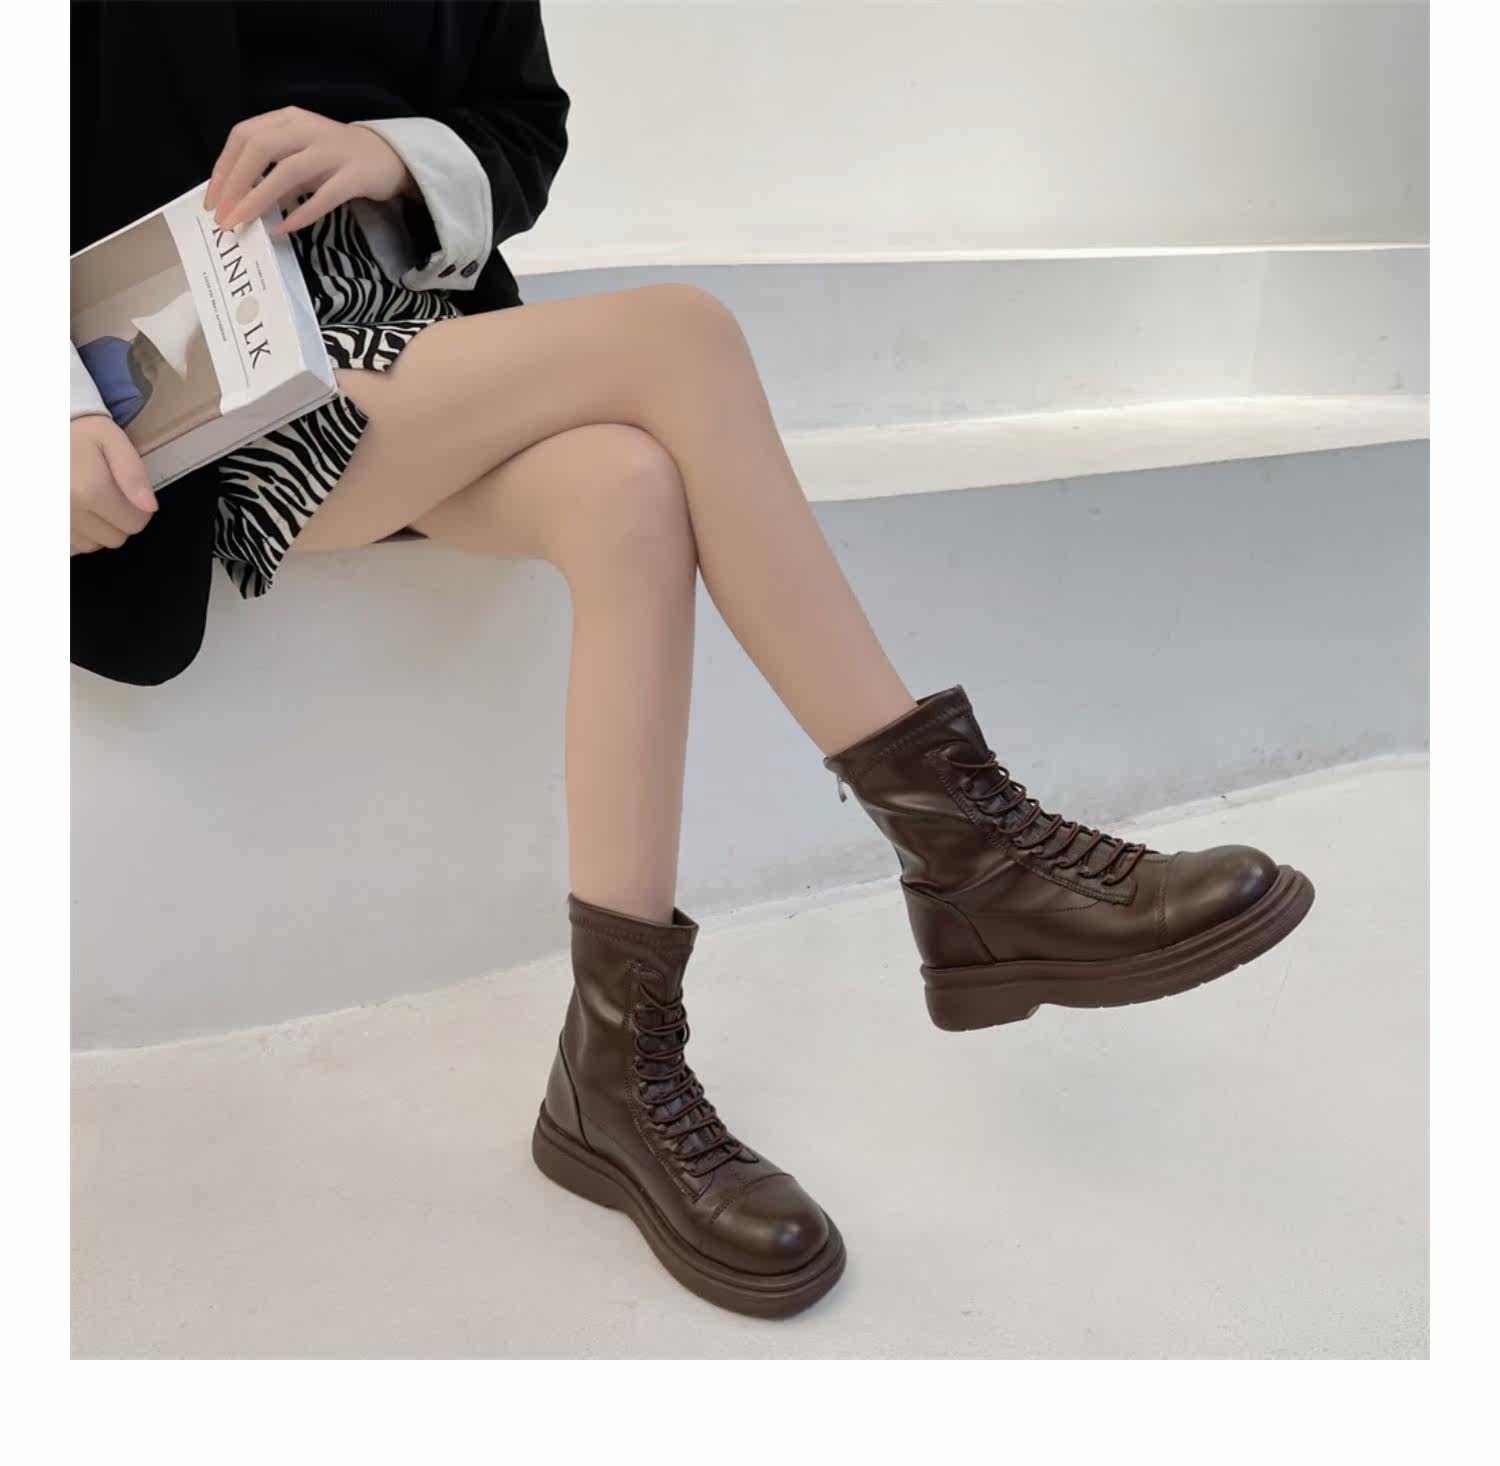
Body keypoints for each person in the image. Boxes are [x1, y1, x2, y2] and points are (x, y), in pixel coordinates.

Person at [70, 1, 1314, 1319]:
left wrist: (397, 155)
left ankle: (613, 1071)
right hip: (207, 384)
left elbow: (522, 126)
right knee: (685, 334)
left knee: (631, 492)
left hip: (428, 344)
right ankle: (971, 855)